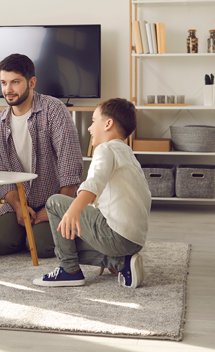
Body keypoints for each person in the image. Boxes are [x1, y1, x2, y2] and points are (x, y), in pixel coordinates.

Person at [33, 98, 152, 288]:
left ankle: (69, 271)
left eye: (93, 121)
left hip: (116, 236)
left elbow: (93, 183)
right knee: (65, 243)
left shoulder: (105, 149)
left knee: (55, 202)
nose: (89, 128)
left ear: (108, 124)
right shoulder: (127, 153)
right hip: (133, 240)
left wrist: (73, 209)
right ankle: (121, 263)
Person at [0, 53, 83, 258]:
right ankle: (26, 230)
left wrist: (55, 210)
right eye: (4, 83)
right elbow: (2, 175)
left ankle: (62, 227)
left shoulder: (54, 110)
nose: (8, 90)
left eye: (15, 82)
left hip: (55, 199)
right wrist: (19, 207)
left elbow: (70, 166)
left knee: (43, 247)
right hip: (20, 200)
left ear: (31, 82)